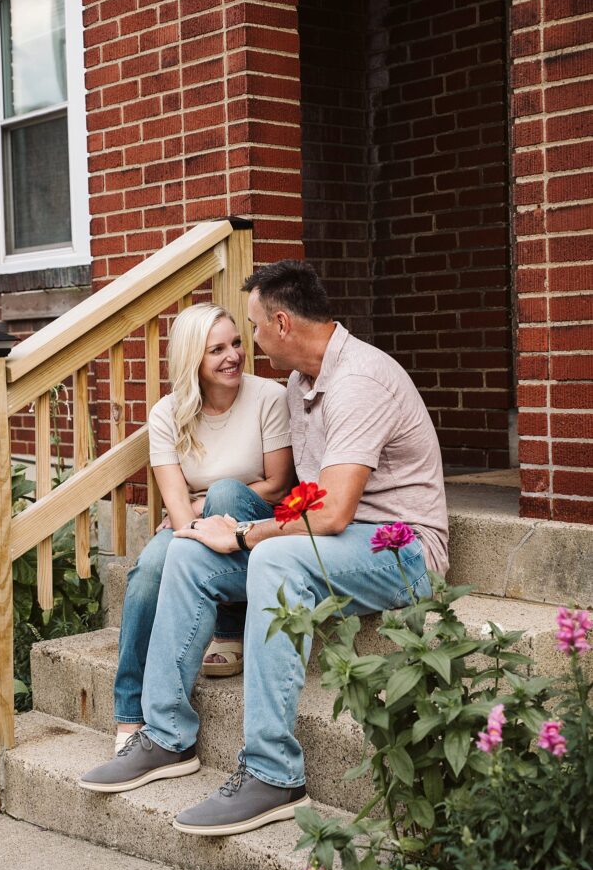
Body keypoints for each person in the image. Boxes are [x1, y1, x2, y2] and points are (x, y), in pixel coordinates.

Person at [80, 262, 448, 838]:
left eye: (251, 327)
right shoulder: (302, 384)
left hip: (402, 550)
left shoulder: (359, 382)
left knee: (272, 557)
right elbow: (307, 504)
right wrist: (226, 528)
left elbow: (330, 513)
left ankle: (272, 772)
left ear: (281, 322)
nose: (248, 343)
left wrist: (248, 534)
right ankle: (165, 736)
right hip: (341, 543)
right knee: (189, 552)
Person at [107, 302, 294, 756]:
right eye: (217, 350)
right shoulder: (167, 415)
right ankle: (130, 714)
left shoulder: (269, 396)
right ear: (193, 358)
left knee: (228, 493)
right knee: (151, 567)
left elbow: (278, 484)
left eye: (236, 343)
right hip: (196, 523)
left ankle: (231, 628)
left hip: (253, 517)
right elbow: (176, 507)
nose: (233, 355)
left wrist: (203, 499)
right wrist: (191, 509)